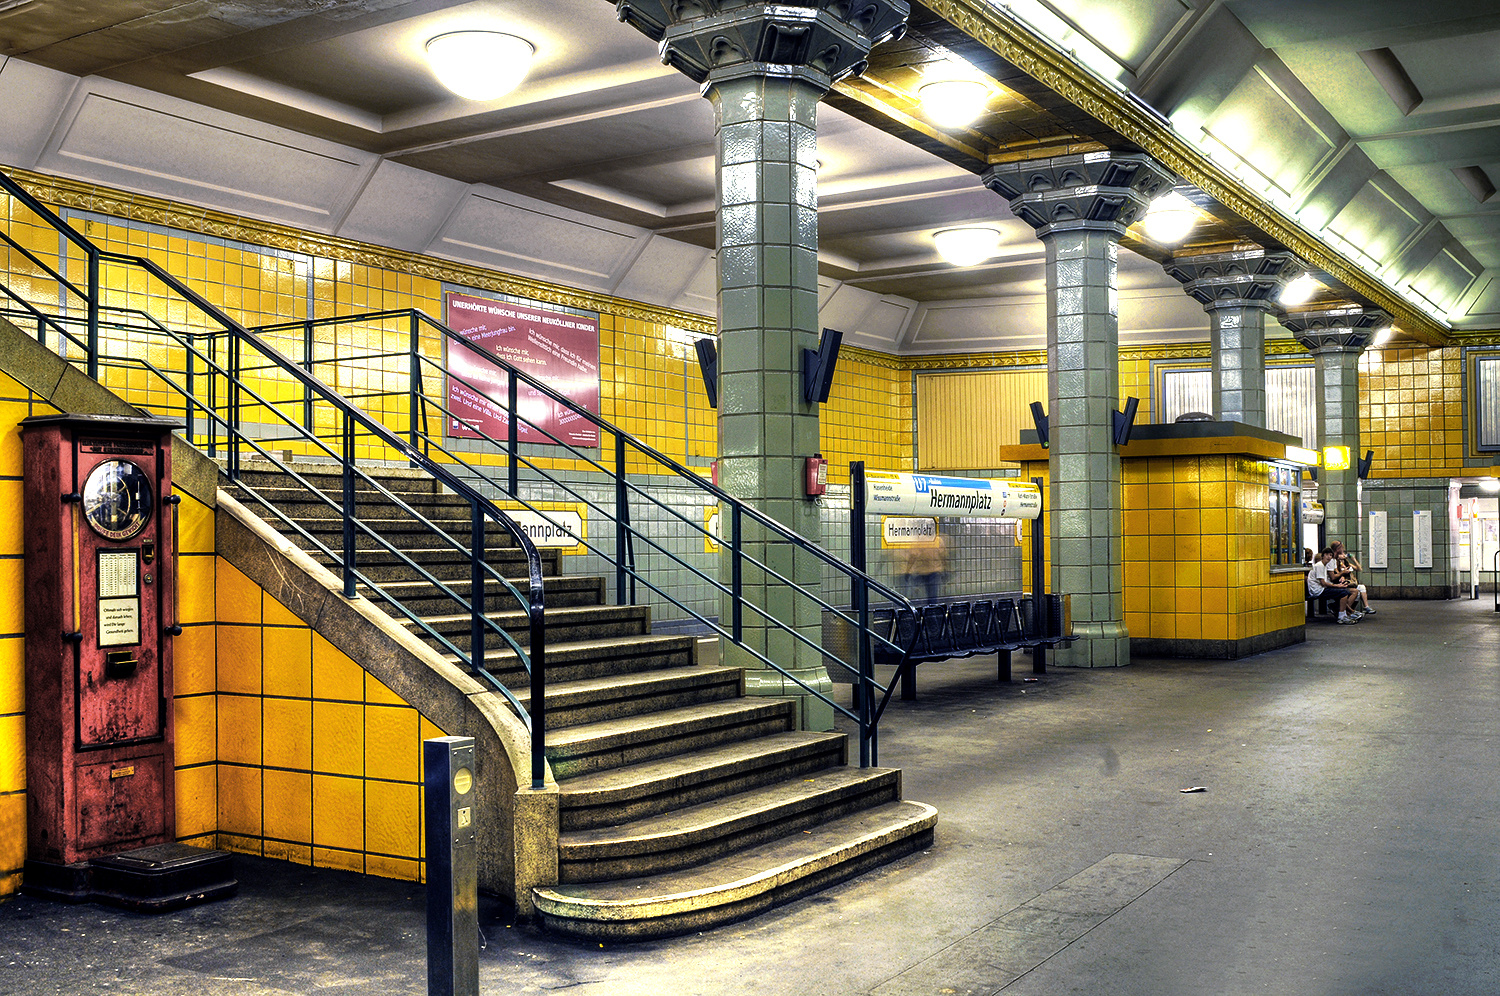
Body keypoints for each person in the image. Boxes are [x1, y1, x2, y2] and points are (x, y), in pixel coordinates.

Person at [1307, 547, 1361, 623]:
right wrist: (1337, 586)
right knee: (1343, 593)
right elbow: (1323, 583)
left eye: (1330, 555)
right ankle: (1342, 616)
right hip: (1318, 590)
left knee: (1342, 592)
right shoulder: (1320, 566)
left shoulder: (1323, 566)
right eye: (1327, 555)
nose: (1329, 557)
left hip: (1320, 588)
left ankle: (1347, 612)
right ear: (1323, 556)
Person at [899, 531, 948, 603]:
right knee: (932, 597)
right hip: (934, 572)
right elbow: (943, 556)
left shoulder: (918, 541)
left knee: (917, 597)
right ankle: (931, 611)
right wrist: (945, 569)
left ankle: (919, 611)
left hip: (919, 572)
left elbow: (912, 557)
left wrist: (907, 571)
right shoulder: (937, 540)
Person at [1329, 540, 1376, 614]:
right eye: (1342, 548)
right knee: (1355, 591)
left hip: (1345, 582)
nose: (1343, 551)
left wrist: (1353, 559)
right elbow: (1335, 574)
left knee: (1359, 589)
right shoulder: (1335, 561)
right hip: (1339, 583)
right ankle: (1344, 611)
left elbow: (1359, 569)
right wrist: (1342, 573)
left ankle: (1346, 610)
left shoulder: (1346, 563)